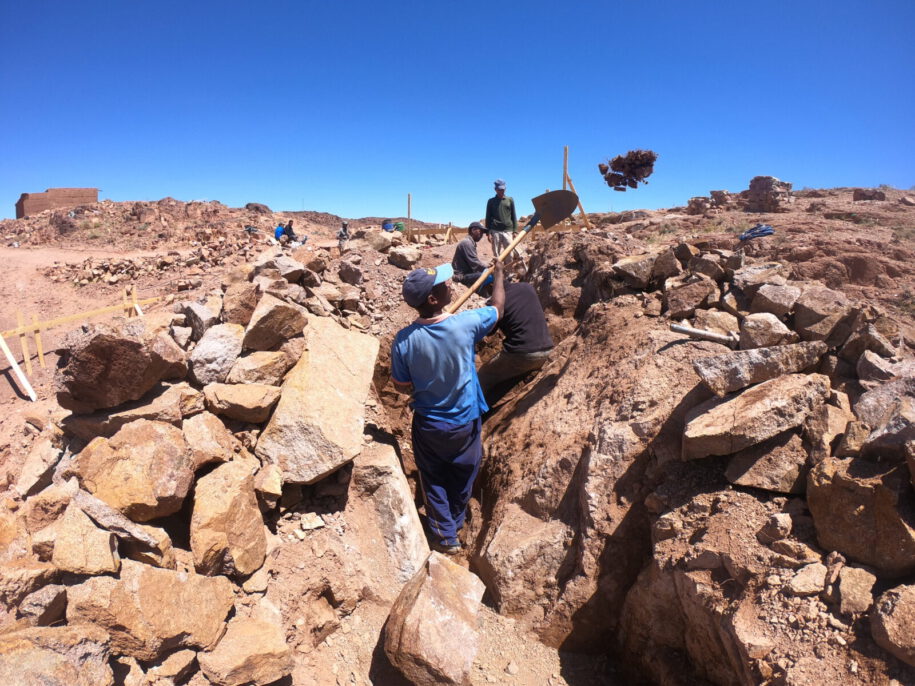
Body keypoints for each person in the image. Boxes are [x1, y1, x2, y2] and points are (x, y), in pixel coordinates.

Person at [390, 260, 505, 554]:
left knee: (433, 476)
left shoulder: (403, 340)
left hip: (428, 424)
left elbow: (400, 385)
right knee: (464, 472)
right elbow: (498, 308)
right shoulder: (465, 324)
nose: (451, 284)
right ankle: (455, 518)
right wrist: (500, 274)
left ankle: (445, 534)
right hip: (465, 423)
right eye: (445, 284)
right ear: (433, 299)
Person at [477, 281, 554, 403]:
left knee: (482, 377)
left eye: (487, 290)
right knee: (506, 377)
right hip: (547, 350)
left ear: (493, 285)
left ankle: (468, 415)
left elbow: (489, 331)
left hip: (523, 354)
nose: (488, 294)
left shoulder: (496, 305)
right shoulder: (526, 286)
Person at [485, 179, 521, 263]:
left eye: (503, 189)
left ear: (505, 189)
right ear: (495, 189)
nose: (501, 191)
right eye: (499, 189)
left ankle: (509, 274)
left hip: (508, 230)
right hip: (495, 230)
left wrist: (515, 231)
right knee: (496, 255)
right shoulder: (491, 201)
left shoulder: (510, 200)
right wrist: (488, 232)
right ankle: (498, 274)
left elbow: (514, 215)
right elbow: (488, 216)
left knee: (509, 253)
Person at [451, 221, 491, 287]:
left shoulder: (470, 242)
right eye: (480, 231)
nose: (481, 235)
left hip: (467, 272)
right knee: (487, 275)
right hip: (461, 275)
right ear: (473, 230)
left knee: (486, 273)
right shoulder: (467, 243)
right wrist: (489, 268)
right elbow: (475, 263)